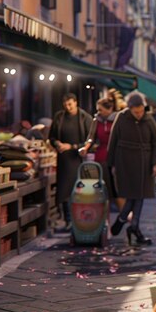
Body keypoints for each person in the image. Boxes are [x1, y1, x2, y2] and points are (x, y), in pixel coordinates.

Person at [107, 91, 156, 246]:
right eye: (136, 112)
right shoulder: (121, 117)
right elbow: (113, 139)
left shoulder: (149, 119)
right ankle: (132, 226)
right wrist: (110, 163)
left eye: (141, 111)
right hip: (124, 161)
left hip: (144, 161)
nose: (139, 114)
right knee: (133, 194)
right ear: (130, 109)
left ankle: (126, 220)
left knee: (139, 194)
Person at [49, 93, 93, 231]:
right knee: (63, 191)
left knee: (78, 190)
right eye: (66, 105)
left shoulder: (85, 117)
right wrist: (57, 143)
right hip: (63, 159)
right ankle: (68, 220)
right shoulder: (59, 117)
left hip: (78, 159)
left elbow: (90, 140)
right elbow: (52, 136)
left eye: (70, 104)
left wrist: (73, 146)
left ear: (76, 102)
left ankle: (78, 219)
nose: (68, 107)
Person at [78, 96, 123, 211]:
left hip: (116, 155)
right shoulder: (96, 120)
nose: (99, 112)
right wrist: (86, 148)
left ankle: (123, 212)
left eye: (101, 110)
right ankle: (104, 208)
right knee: (103, 184)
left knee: (117, 185)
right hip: (101, 155)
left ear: (110, 109)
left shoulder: (118, 119)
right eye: (98, 109)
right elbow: (91, 137)